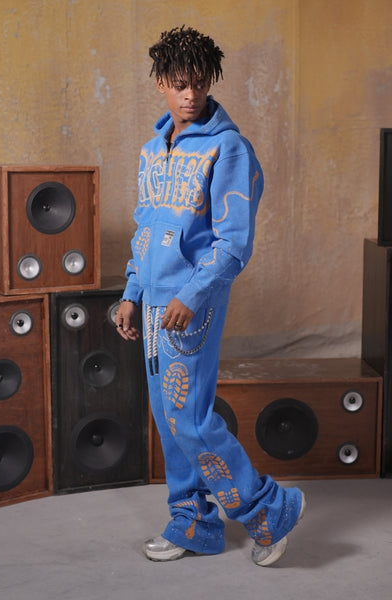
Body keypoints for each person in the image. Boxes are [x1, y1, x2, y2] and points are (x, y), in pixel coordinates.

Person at [115, 25, 306, 566]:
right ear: (161, 83)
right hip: (154, 304)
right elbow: (146, 227)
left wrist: (193, 294)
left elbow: (233, 242)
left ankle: (270, 510)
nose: (191, 95)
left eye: (199, 83)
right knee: (168, 419)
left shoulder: (228, 148)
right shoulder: (152, 151)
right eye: (180, 84)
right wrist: (131, 292)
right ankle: (194, 522)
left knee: (191, 419)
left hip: (189, 306)